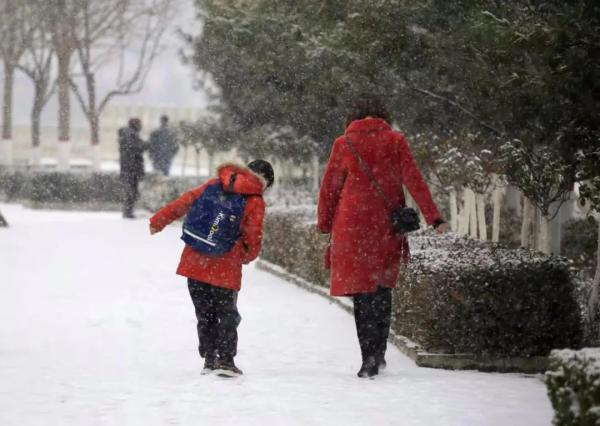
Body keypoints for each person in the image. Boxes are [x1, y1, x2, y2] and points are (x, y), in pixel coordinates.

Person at [317, 96, 448, 378]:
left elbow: (330, 188)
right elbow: (414, 180)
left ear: (354, 116)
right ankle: (378, 353)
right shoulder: (396, 141)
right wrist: (433, 216)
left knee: (361, 293)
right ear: (382, 116)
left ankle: (368, 359)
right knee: (381, 289)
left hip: (351, 225)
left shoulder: (344, 143)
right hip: (385, 226)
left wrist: (325, 223)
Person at [148, 160, 274, 377]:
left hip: (195, 259)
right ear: (266, 183)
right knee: (227, 314)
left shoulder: (215, 184)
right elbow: (253, 234)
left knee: (204, 313)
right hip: (226, 264)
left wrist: (158, 221)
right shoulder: (255, 200)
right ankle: (225, 360)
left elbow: (185, 201)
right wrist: (247, 256)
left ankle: (209, 358)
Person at [118, 118, 147, 218]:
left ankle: (128, 211)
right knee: (131, 191)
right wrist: (145, 145)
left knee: (132, 191)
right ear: (135, 125)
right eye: (139, 124)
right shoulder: (129, 135)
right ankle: (127, 212)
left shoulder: (130, 134)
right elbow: (135, 148)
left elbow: (136, 147)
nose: (141, 126)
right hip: (130, 168)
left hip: (130, 168)